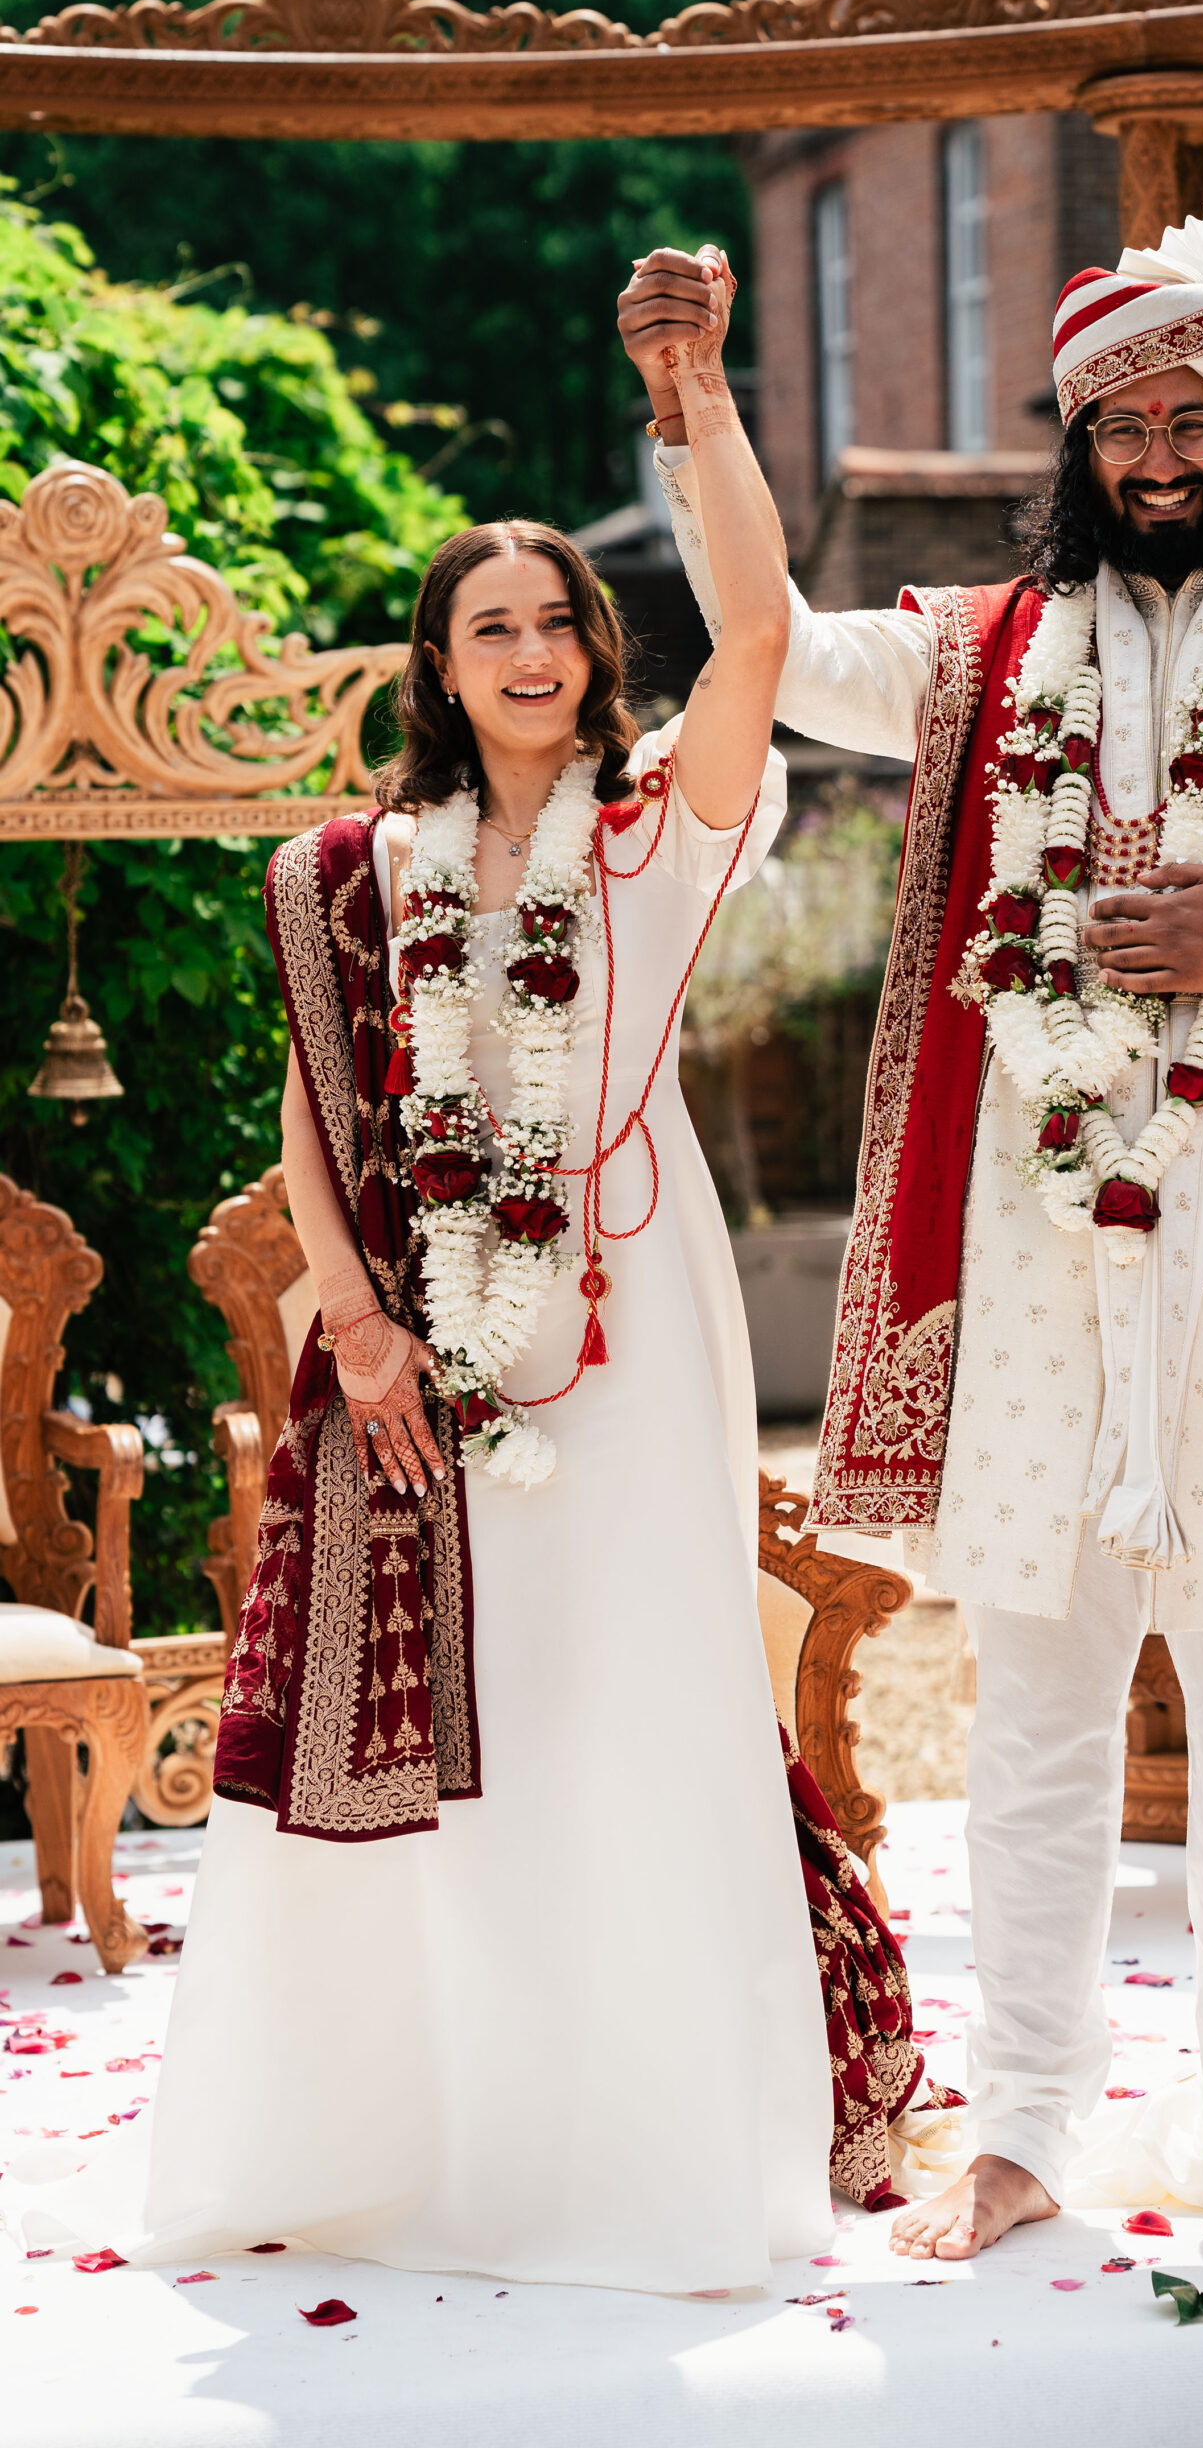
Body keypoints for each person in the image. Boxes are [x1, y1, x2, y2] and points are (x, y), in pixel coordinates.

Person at [619, 209, 1203, 2260]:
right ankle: (1020, 2124)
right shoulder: (980, 650)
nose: (1149, 453)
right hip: (1034, 1273)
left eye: (1183, 415)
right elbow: (760, 629)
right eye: (1113, 421)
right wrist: (691, 410)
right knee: (1033, 1729)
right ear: (1073, 443)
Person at [19, 249, 928, 2292]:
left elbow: (766, 623)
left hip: (622, 1310)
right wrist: (352, 1323)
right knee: (453, 1718)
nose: (525, 649)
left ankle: (631, 2150)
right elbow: (304, 1111)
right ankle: (415, 2136)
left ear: (597, 651)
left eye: (554, 620)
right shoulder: (356, 867)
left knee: (621, 1694)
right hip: (403, 1327)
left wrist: (689, 397)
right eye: (485, 623)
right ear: (440, 661)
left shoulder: (657, 827)